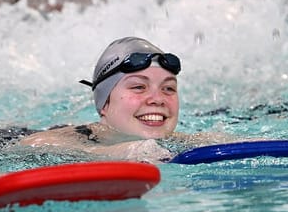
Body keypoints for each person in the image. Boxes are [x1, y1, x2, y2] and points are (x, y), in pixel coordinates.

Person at [19, 37, 233, 162]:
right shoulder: (64, 140)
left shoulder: (178, 142)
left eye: (168, 88)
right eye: (139, 87)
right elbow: (31, 148)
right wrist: (121, 152)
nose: (157, 99)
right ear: (104, 103)